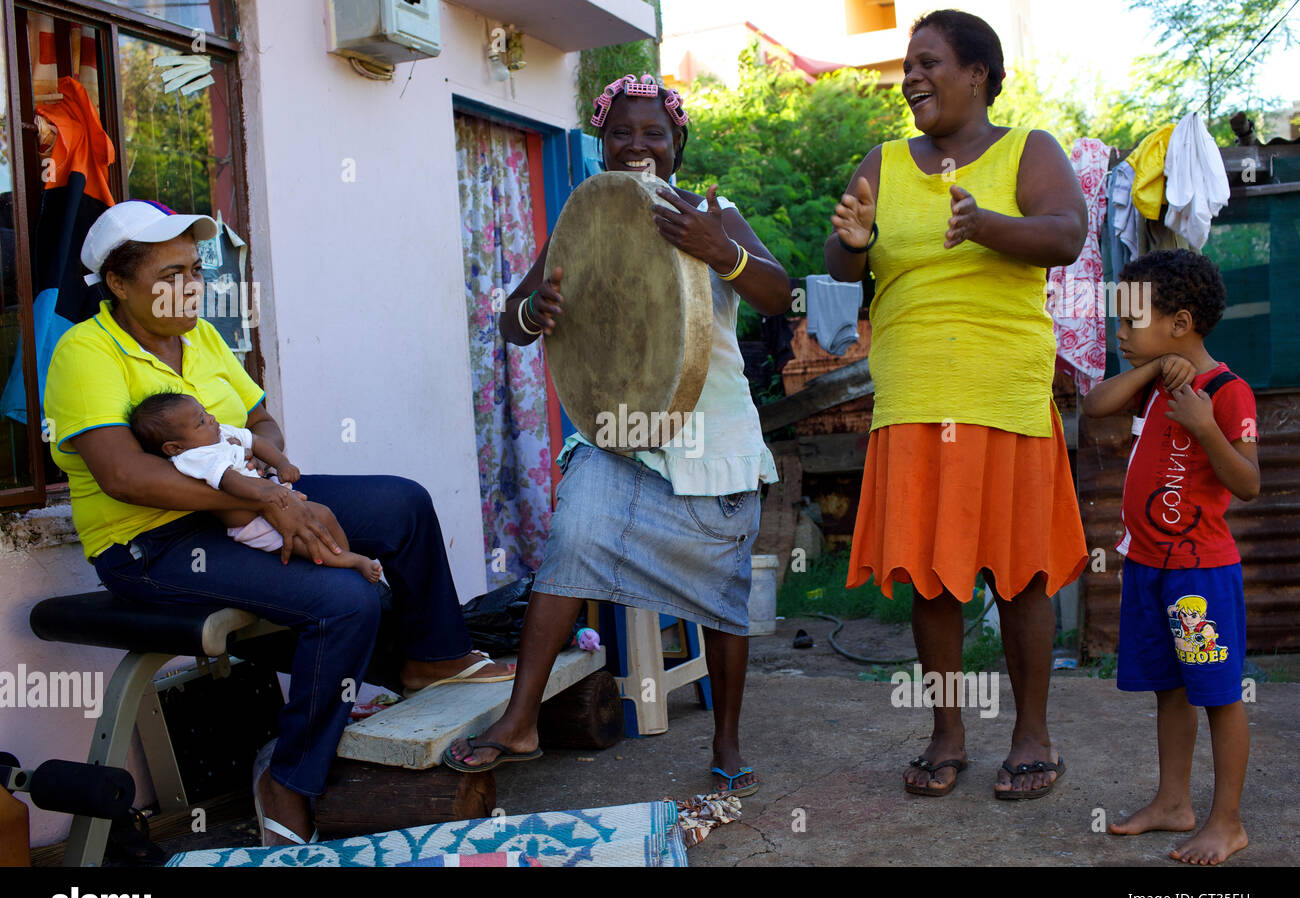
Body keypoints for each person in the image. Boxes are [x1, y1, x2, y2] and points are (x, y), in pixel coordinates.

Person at [43, 199, 513, 846]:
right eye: (166, 276)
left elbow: (261, 419)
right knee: (346, 598)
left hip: (246, 501)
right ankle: (288, 778)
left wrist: (270, 482)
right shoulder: (85, 351)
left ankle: (430, 658)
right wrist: (265, 502)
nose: (188, 289)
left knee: (402, 503)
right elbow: (125, 475)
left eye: (194, 271)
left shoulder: (201, 338)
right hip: (150, 543)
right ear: (118, 285)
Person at [443, 74, 791, 796]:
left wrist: (718, 248)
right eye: (622, 133)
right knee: (572, 536)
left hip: (709, 445)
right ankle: (520, 720)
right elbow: (512, 320)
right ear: (601, 144)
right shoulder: (588, 218)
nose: (638, 145)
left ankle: (726, 739)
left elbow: (778, 292)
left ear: (677, 145)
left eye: (653, 133)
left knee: (723, 598)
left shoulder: (710, 211)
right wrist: (533, 312)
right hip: (620, 439)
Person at [826, 10, 1089, 799]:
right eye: (907, 65)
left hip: (1002, 393)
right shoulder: (882, 160)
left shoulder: (1027, 149)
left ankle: (1032, 733)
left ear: (977, 73)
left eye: (928, 62)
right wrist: (857, 238)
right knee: (933, 580)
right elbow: (842, 269)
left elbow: (1068, 233)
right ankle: (947, 731)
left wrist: (986, 225)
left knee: (1023, 575)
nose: (911, 77)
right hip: (912, 398)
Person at [1082, 249, 1258, 865]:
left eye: (1132, 322)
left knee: (1217, 693)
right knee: (1170, 690)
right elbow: (1094, 406)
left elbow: (1249, 483)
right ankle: (1173, 803)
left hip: (1200, 575)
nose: (1120, 334)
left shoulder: (1229, 393)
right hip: (1149, 569)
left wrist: (1206, 426)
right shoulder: (1153, 385)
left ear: (1180, 322)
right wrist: (1155, 364)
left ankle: (1227, 822)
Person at [128, 391, 383, 581]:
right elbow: (231, 481)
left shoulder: (219, 433)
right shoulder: (193, 458)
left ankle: (345, 560)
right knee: (306, 545)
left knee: (324, 515)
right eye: (201, 422)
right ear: (174, 447)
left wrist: (281, 463)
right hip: (252, 522)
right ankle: (351, 562)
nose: (211, 419)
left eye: (205, 412)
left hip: (271, 496)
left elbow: (256, 440)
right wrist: (271, 496)